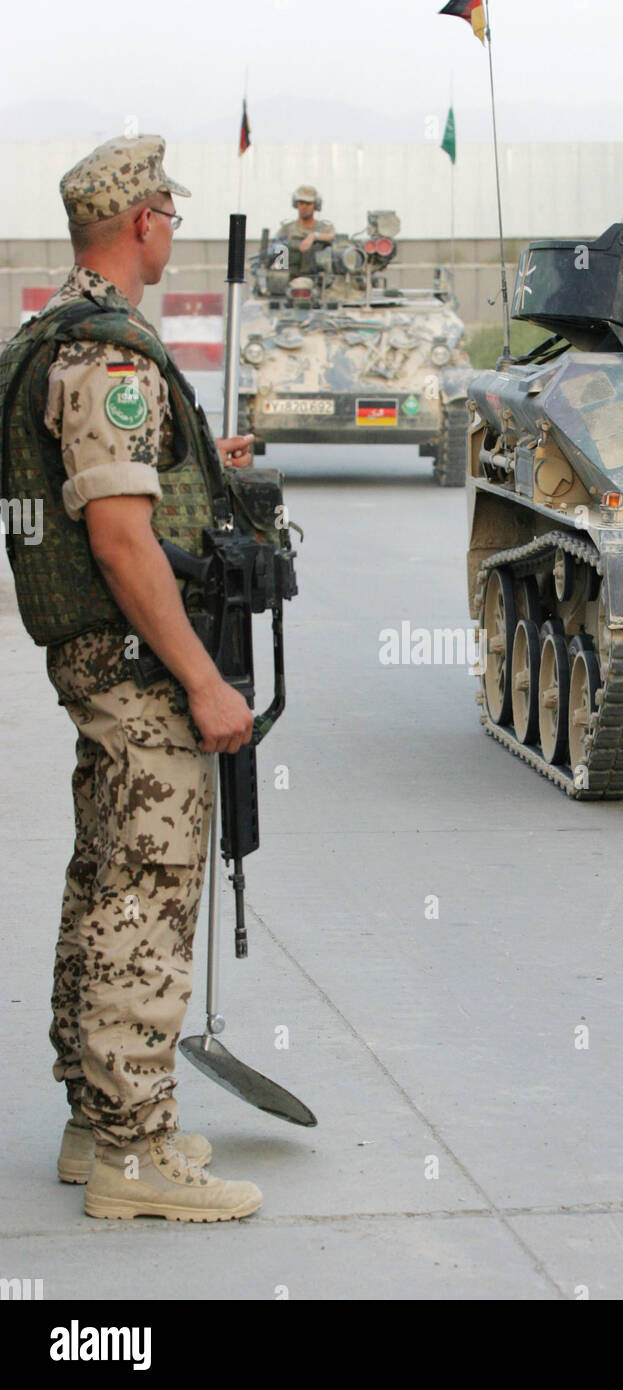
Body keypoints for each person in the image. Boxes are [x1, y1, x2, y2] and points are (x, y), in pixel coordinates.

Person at [0, 135, 264, 1221]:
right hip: (135, 667)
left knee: (103, 877)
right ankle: (134, 1156)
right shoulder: (109, 355)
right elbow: (118, 538)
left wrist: (205, 472)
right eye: (169, 213)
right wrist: (205, 681)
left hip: (93, 663)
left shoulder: (44, 337)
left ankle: (92, 1120)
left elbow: (119, 494)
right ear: (145, 221)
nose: (174, 231)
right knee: (147, 894)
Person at [276, 185, 335, 275]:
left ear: (315, 205)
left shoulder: (325, 229)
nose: (304, 207)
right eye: (301, 203)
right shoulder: (287, 229)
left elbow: (334, 238)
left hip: (319, 279)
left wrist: (314, 236)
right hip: (290, 277)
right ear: (296, 204)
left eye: (308, 204)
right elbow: (276, 250)